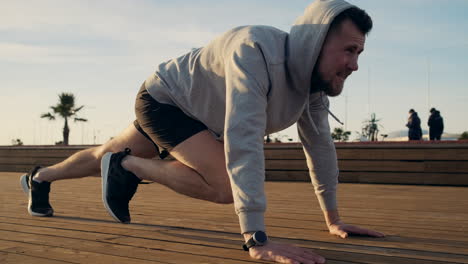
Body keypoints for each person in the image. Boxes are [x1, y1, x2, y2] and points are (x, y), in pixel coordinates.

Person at [20, 1, 385, 263]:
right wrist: (255, 237)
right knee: (226, 186)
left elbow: (320, 148)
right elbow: (244, 140)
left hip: (198, 115)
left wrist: (333, 219)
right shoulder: (256, 51)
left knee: (101, 156)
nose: (354, 64)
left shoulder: (314, 86)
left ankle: (40, 177)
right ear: (316, 43)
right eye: (349, 50)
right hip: (165, 99)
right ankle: (129, 166)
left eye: (360, 53)